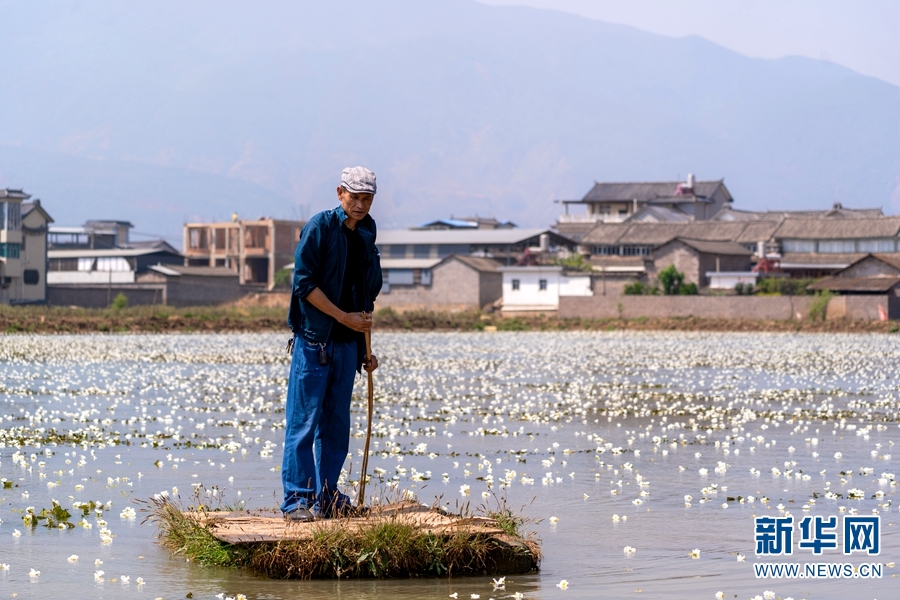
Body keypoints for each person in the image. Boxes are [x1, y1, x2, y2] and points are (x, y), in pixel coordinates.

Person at [281, 166, 382, 521]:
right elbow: (304, 286)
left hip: (347, 345)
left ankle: (327, 496)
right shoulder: (320, 227)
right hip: (315, 342)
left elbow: (365, 295)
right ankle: (297, 500)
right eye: (354, 197)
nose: (359, 205)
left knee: (336, 425)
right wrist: (344, 318)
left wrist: (366, 348)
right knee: (303, 423)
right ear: (340, 193)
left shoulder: (367, 233)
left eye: (366, 199)